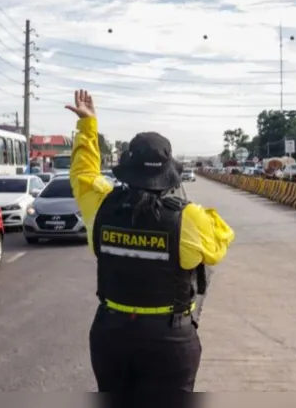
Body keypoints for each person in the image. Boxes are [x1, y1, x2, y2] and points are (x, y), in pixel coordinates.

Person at [66, 89, 235, 395]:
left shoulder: (102, 203)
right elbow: (220, 243)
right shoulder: (190, 218)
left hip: (111, 333)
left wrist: (87, 126)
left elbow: (82, 172)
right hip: (168, 339)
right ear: (170, 173)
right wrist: (193, 211)